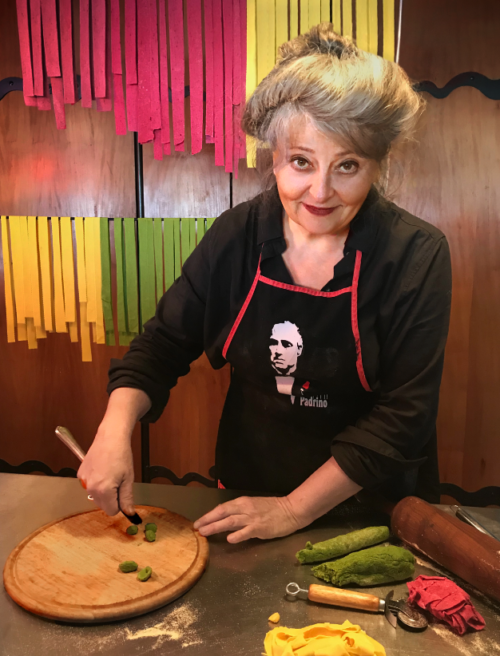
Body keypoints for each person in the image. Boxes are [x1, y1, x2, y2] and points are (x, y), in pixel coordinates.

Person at [78, 24, 452, 545]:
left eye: (347, 166)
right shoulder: (236, 237)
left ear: (377, 165)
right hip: (248, 492)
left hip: (370, 510)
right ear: (272, 155)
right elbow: (162, 345)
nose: (319, 191)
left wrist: (294, 510)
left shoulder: (416, 254)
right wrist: (113, 429)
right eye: (301, 162)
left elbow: (403, 419)